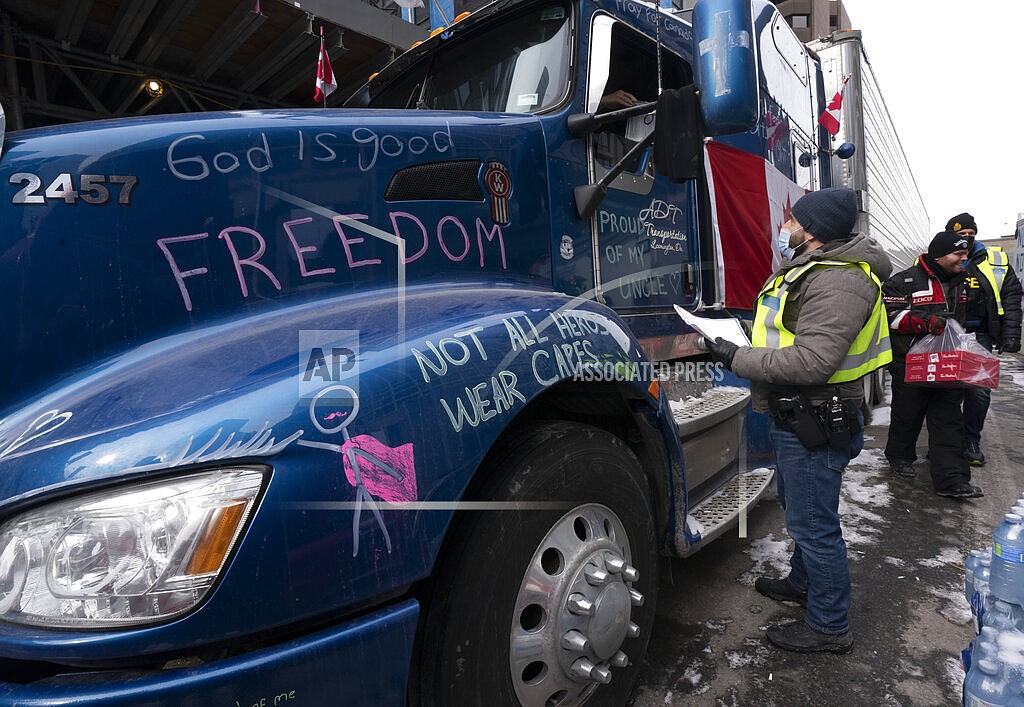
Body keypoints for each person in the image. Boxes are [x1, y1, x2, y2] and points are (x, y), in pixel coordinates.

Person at [704, 187, 893, 654]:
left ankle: (829, 626)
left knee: (814, 524)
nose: (784, 227)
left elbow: (812, 362)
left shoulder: (839, 280)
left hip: (816, 417)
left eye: (791, 220)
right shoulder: (811, 269)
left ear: (812, 232)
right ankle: (804, 583)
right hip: (798, 412)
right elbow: (790, 334)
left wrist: (736, 356)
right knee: (800, 506)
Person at [881, 230, 982, 499]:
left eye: (966, 253)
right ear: (939, 255)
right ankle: (900, 458)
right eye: (958, 254)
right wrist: (926, 322)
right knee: (907, 415)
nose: (964, 258)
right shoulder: (902, 281)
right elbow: (889, 316)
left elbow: (979, 314)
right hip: (909, 362)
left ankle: (952, 480)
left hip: (948, 363)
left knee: (949, 420)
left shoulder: (966, 282)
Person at [947, 212, 1023, 466]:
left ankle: (971, 440)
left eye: (970, 234)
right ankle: (944, 441)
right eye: (960, 236)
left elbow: (1012, 296)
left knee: (978, 391)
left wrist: (1011, 333)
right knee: (944, 391)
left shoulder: (996, 259)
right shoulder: (938, 257)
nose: (966, 239)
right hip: (944, 334)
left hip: (979, 336)